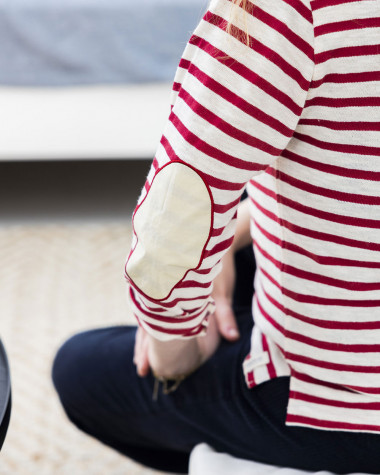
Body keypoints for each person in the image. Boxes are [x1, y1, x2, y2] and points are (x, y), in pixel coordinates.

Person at [52, 0, 380, 473]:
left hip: (343, 408)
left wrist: (175, 354)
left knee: (80, 371)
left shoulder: (292, 10)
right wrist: (237, 231)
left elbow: (174, 217)